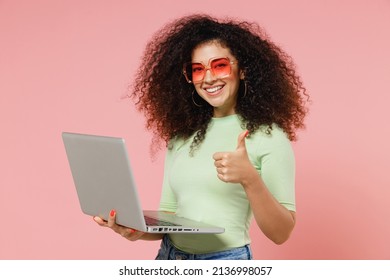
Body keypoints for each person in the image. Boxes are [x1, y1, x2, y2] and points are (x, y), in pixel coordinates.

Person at [93, 14, 308, 260]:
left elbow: (281, 233)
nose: (208, 78)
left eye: (220, 65)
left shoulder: (268, 136)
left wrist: (250, 179)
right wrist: (136, 230)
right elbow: (171, 215)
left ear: (243, 71)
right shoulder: (182, 135)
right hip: (169, 257)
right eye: (197, 69)